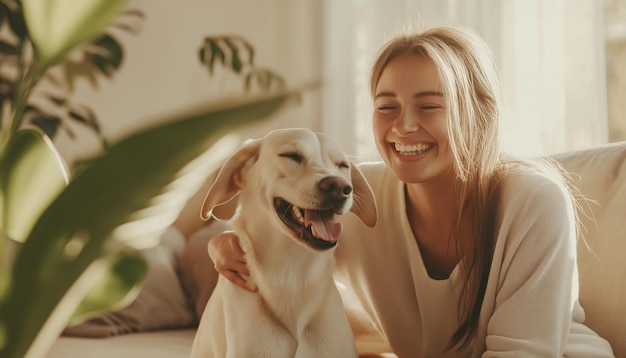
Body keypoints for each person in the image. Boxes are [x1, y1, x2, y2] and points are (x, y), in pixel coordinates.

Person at [177, 26, 615, 357]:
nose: (403, 125)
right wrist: (226, 245)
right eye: (386, 107)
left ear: (478, 113)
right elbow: (279, 235)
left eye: (429, 105)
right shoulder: (350, 196)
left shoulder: (535, 201)